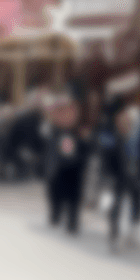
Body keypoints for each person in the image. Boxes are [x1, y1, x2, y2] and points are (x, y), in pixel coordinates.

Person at [44, 92, 90, 235]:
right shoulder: (53, 131)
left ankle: (72, 221)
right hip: (58, 169)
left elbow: (87, 149)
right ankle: (56, 214)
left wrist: (85, 143)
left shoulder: (79, 131)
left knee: (74, 197)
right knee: (55, 193)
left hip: (75, 169)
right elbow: (49, 150)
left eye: (72, 111)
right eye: (63, 112)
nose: (68, 115)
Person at [106, 99, 140, 250]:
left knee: (136, 202)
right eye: (124, 121)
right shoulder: (114, 139)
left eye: (131, 122)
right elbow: (108, 159)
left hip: (134, 176)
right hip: (118, 177)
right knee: (115, 206)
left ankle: (133, 231)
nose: (127, 124)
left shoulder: (136, 139)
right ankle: (114, 235)